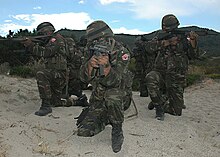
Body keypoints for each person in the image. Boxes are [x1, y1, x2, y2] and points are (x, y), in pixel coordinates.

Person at [75, 20, 132, 153]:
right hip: (99, 99)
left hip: (119, 99)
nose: (98, 43)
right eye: (94, 41)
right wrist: (90, 65)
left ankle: (117, 129)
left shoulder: (122, 52)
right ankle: (107, 117)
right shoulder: (90, 51)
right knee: (84, 131)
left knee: (112, 94)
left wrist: (106, 67)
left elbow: (115, 81)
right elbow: (83, 79)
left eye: (101, 39)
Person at [144, 14, 199, 120]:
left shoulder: (184, 39)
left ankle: (162, 100)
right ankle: (159, 107)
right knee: (151, 77)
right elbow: (148, 48)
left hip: (176, 76)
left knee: (176, 112)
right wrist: (167, 42)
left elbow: (194, 56)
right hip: (161, 73)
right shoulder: (160, 37)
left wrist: (193, 42)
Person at [22, 22, 68, 116]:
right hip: (56, 75)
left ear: (47, 32)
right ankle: (79, 102)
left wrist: (31, 45)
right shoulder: (51, 41)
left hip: (59, 74)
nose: (41, 36)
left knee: (41, 73)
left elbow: (47, 52)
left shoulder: (56, 39)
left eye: (42, 33)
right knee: (55, 102)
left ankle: (45, 106)